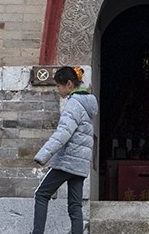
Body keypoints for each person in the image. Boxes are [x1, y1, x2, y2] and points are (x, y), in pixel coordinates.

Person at [31, 65, 97, 234]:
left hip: (67, 161)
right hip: (80, 165)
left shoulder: (73, 104)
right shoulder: (87, 104)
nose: (57, 89)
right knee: (75, 206)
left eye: (58, 86)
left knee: (41, 194)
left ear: (69, 84)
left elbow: (63, 134)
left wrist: (43, 155)